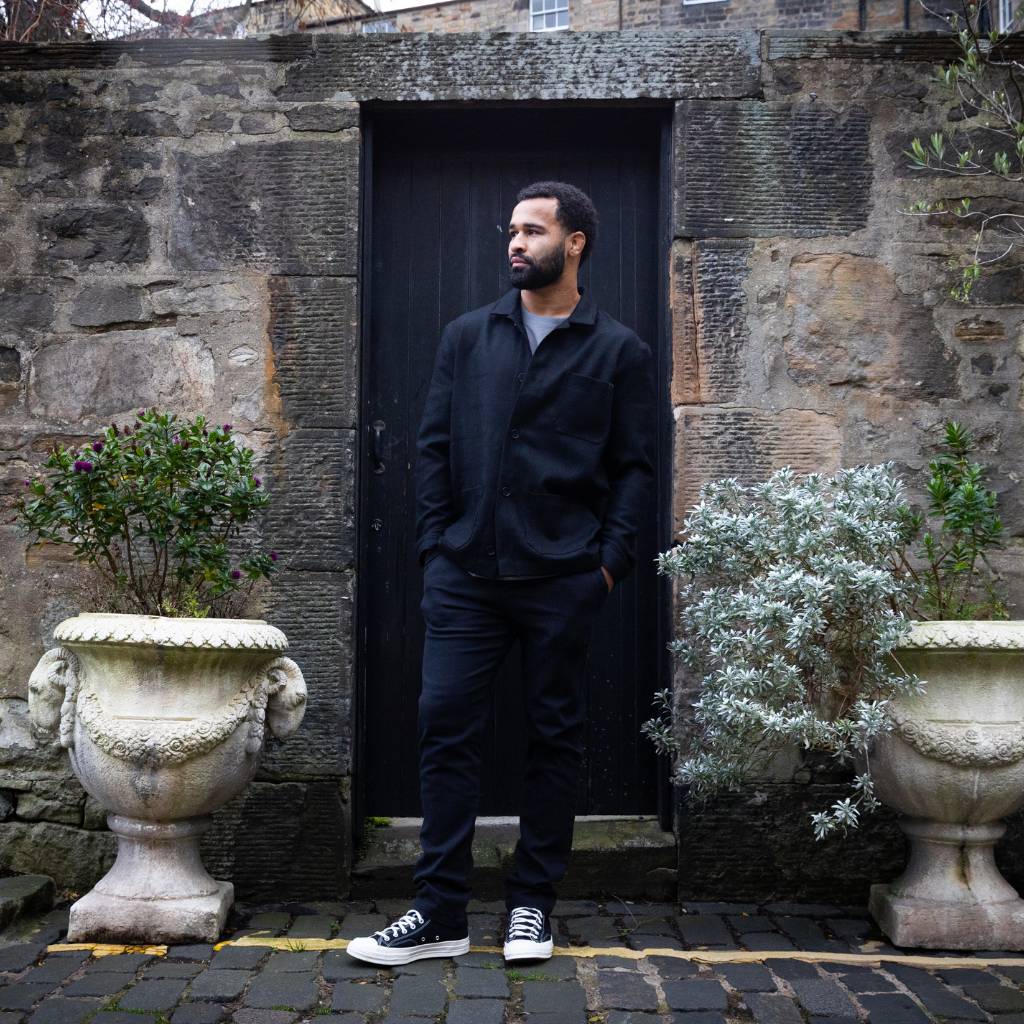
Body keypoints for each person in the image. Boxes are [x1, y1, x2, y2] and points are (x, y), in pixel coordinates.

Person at [347, 181, 656, 967]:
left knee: (554, 740)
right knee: (444, 729)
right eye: (511, 231)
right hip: (466, 576)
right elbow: (434, 448)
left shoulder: (618, 351)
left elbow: (634, 469)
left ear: (575, 243)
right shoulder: (467, 336)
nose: (515, 243)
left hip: (564, 578)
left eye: (533, 231)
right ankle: (439, 911)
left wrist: (607, 567)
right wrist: (436, 548)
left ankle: (531, 906)